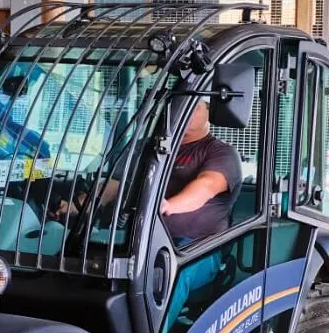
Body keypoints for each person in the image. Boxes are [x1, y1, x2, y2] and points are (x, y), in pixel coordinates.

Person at [56, 99, 242, 245]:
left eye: (194, 107)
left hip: (195, 247)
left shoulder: (220, 152)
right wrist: (73, 207)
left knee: (161, 280)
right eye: (179, 105)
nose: (183, 112)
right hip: (140, 241)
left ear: (211, 111)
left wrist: (165, 206)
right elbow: (112, 187)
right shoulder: (145, 147)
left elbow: (205, 187)